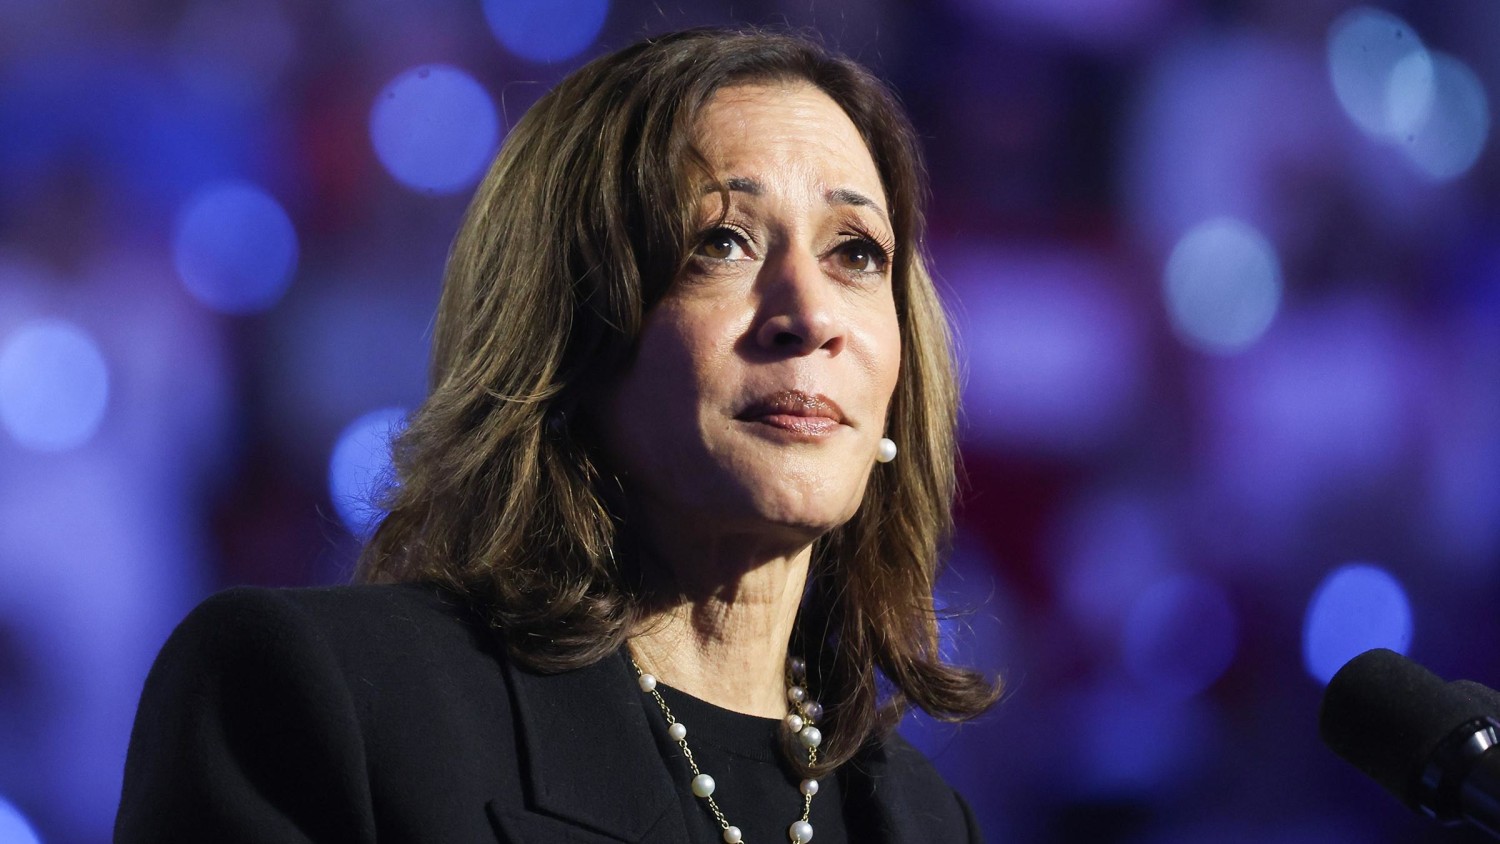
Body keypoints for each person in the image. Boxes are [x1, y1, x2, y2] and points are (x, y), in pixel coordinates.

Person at [116, 27, 999, 844]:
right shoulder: (318, 699)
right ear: (569, 326)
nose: (809, 315)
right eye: (721, 242)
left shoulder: (923, 818)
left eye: (857, 253)